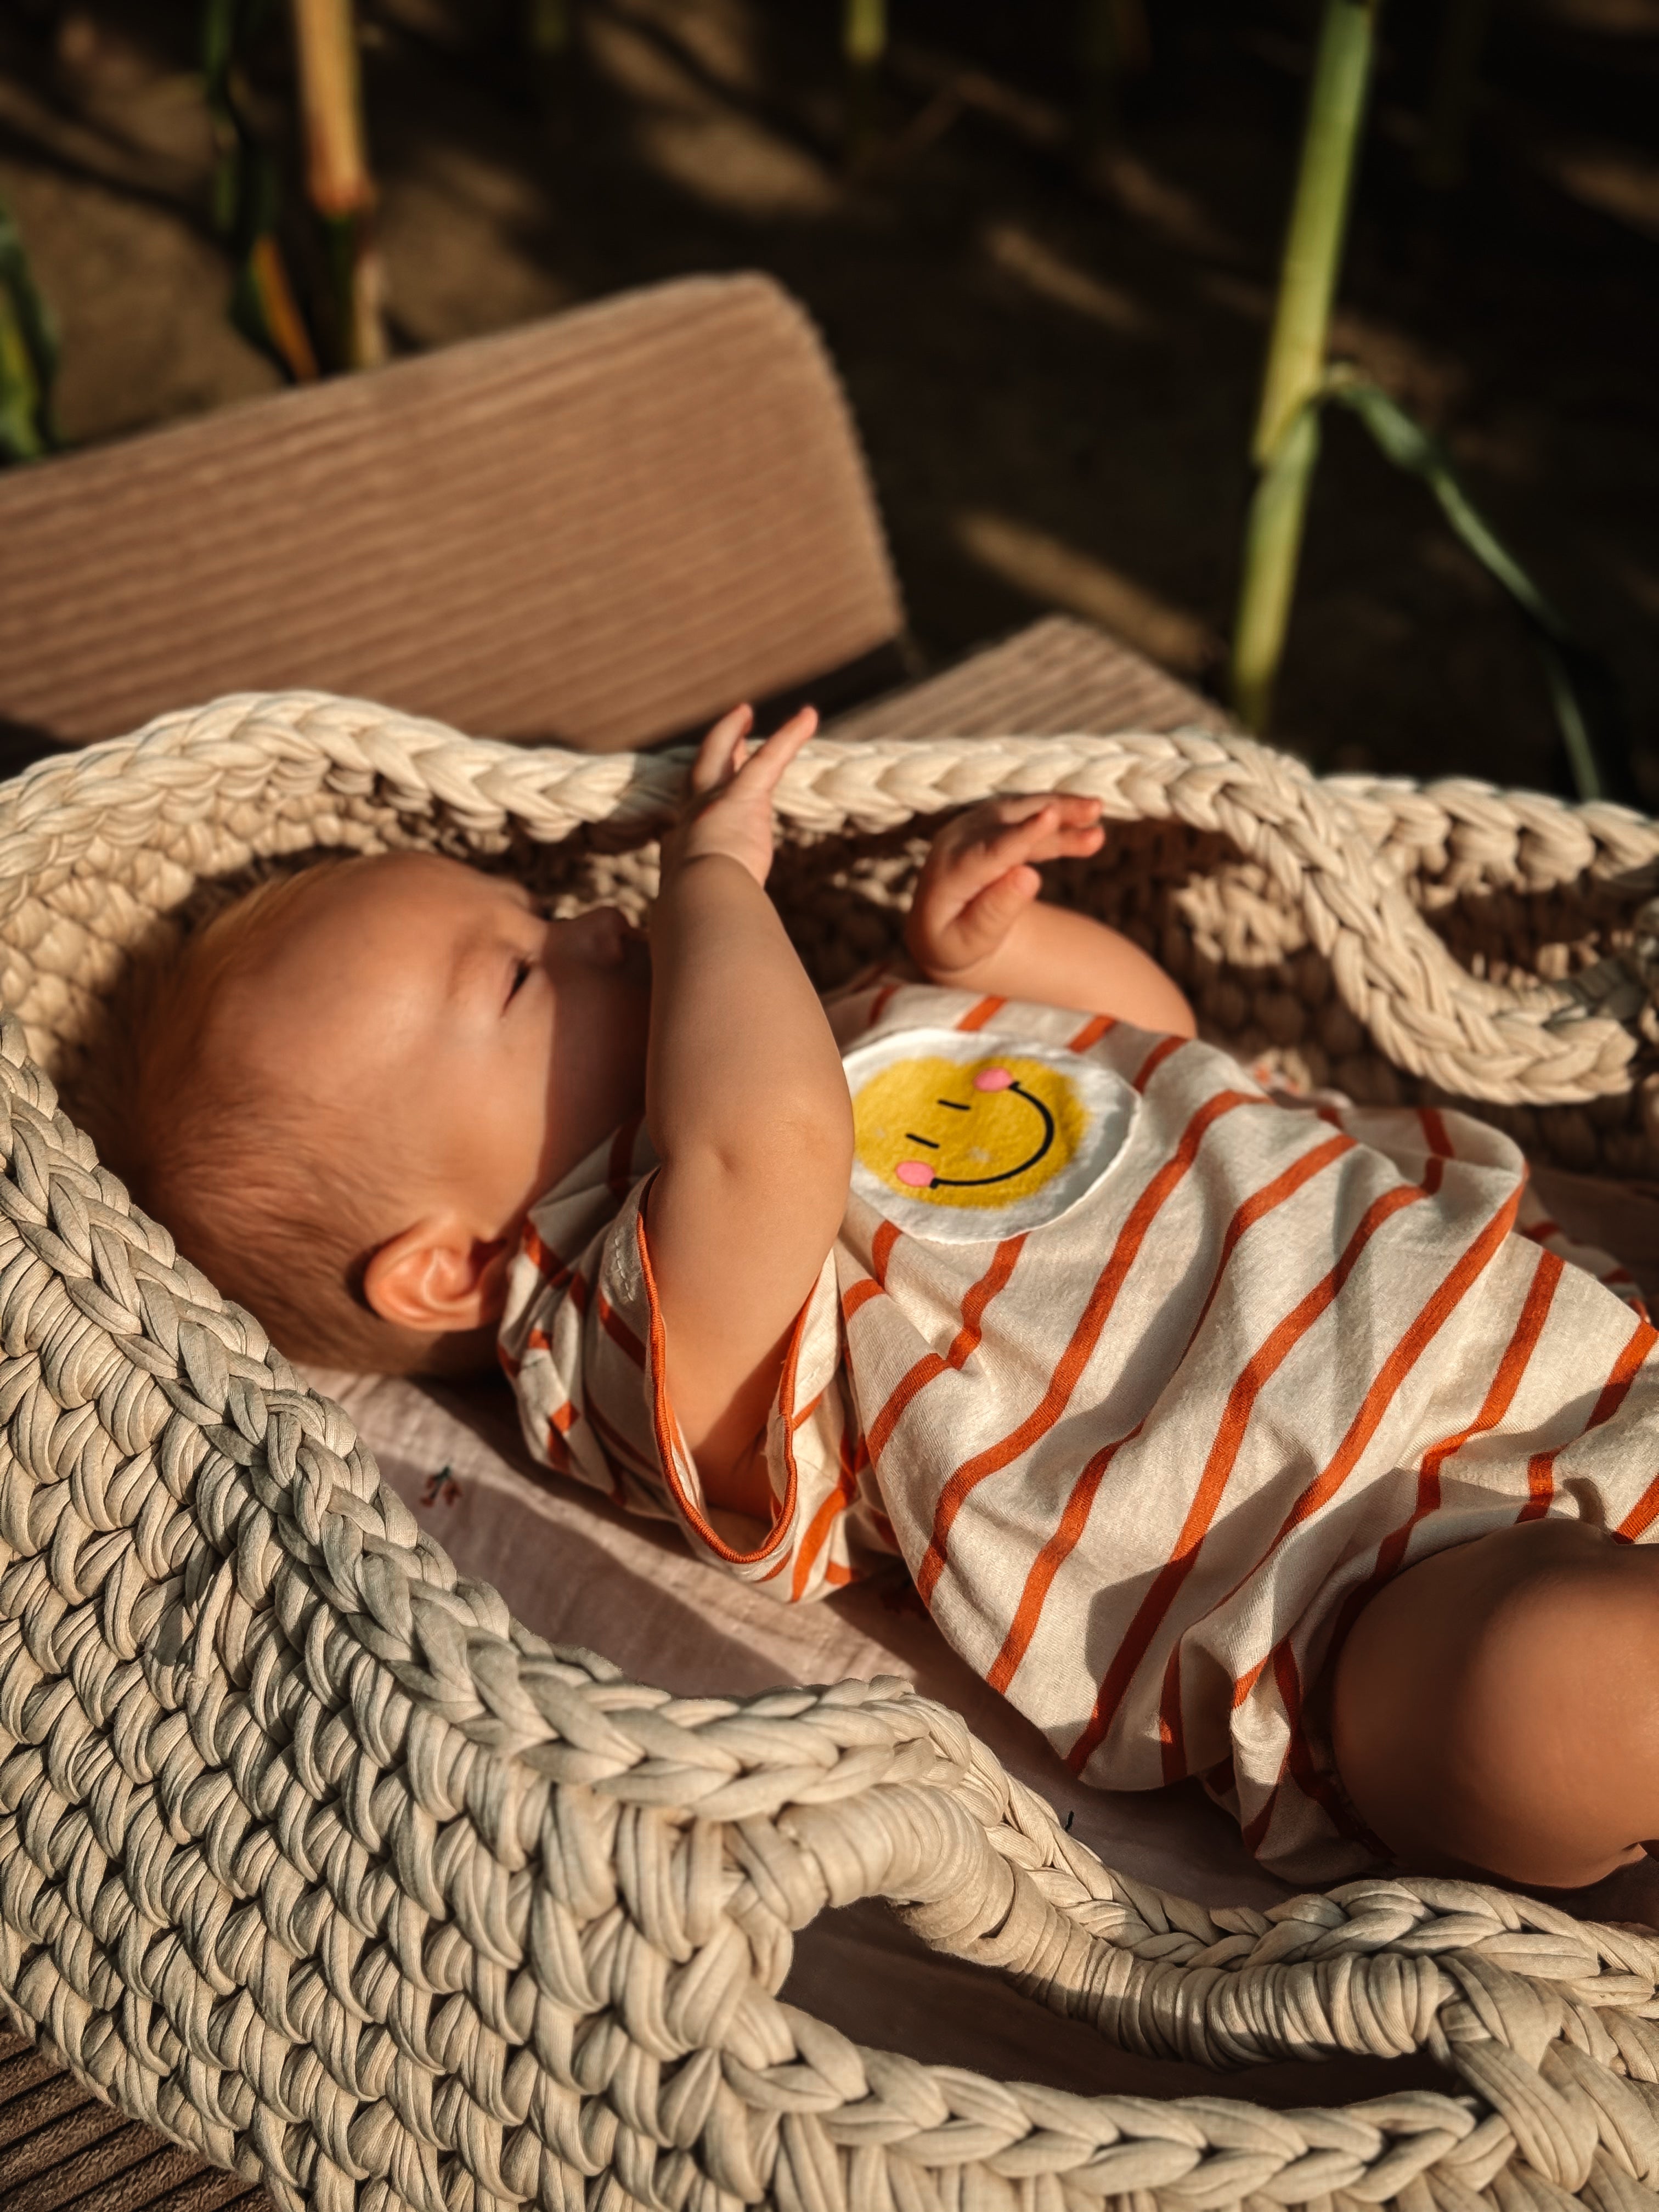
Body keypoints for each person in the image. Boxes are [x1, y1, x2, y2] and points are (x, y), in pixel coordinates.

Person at [114, 705, 1659, 1889]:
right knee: (1529, 1700)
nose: (587, 922)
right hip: (1344, 1587)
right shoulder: (614, 1329)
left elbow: (1161, 1065)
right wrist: (717, 877)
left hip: (1546, 1349)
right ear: (447, 1264)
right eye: (515, 973)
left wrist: (988, 959)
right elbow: (771, 1143)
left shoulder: (842, 1024)